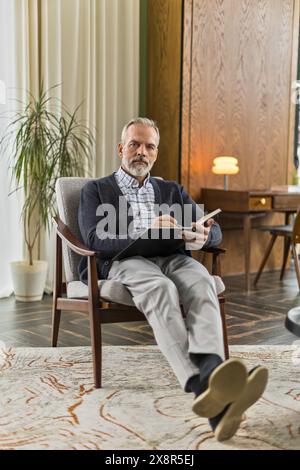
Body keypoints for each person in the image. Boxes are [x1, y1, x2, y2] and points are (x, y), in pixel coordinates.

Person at [78, 117, 268, 441]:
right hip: (127, 261)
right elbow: (94, 239)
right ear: (121, 149)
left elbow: (213, 227)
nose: (142, 152)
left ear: (156, 153)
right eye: (135, 144)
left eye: (149, 146)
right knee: (161, 288)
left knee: (203, 282)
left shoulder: (171, 190)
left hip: (174, 256)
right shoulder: (96, 190)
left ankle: (211, 373)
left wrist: (202, 235)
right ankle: (205, 386)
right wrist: (145, 232)